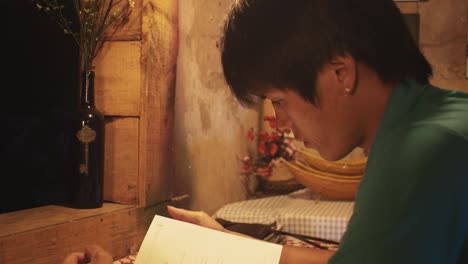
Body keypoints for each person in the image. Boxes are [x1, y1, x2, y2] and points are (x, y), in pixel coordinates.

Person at [64, 0, 468, 263]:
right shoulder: (433, 123)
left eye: (278, 100)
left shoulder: (421, 155)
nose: (280, 123)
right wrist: (224, 245)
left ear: (340, 72)